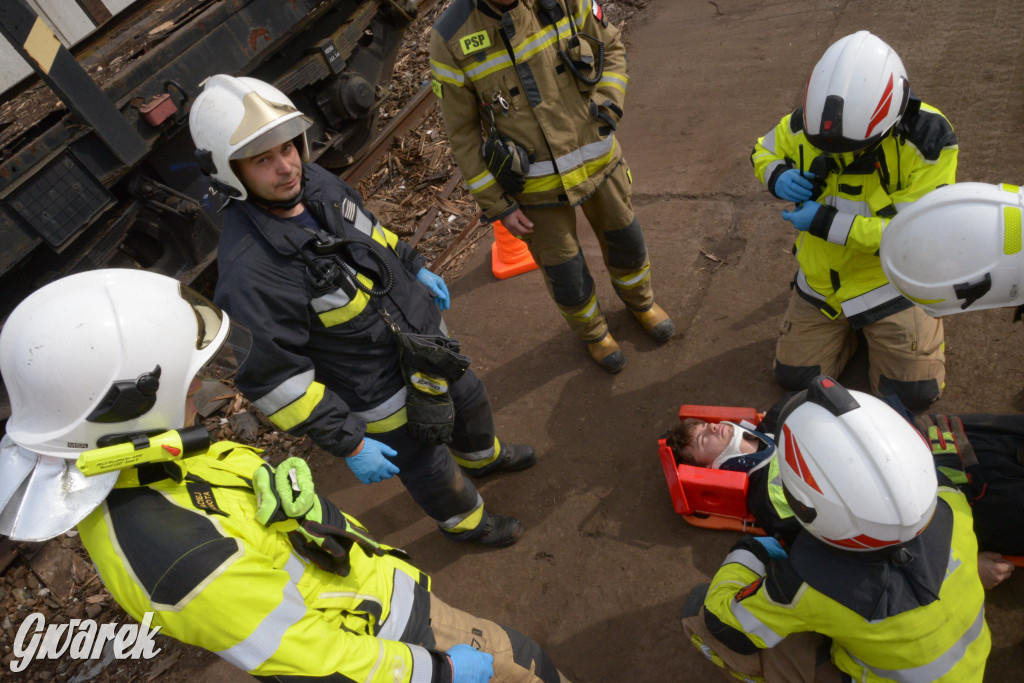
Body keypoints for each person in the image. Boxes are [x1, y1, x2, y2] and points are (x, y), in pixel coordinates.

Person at [0, 268, 569, 683]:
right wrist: (438, 672)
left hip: (382, 608)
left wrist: (290, 511)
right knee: (520, 662)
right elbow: (310, 662)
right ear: (127, 406)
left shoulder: (149, 464)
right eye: (187, 380)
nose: (201, 390)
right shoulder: (170, 549)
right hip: (393, 646)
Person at [189, 74, 534, 548]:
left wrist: (413, 265)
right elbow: (273, 379)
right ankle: (468, 524)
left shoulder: (317, 183)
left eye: (288, 148)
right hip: (380, 391)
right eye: (262, 159)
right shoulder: (250, 272)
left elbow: (371, 234)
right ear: (230, 173)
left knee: (469, 398)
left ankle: (483, 458)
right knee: (427, 462)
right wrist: (347, 440)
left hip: (426, 343)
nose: (287, 167)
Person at [681, 376, 990, 682]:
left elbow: (726, 623)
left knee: (699, 605)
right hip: (974, 664)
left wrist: (749, 550)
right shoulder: (952, 501)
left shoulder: (810, 582)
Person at [428, 0, 675, 374]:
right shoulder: (450, 37)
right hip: (534, 187)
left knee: (626, 238)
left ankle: (641, 303)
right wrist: (500, 206)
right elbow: (462, 134)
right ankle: (594, 334)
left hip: (598, 158)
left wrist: (609, 103)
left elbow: (611, 45)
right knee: (565, 272)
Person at [752, 31, 958, 411]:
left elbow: (913, 232)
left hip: (893, 286)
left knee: (911, 396)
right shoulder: (806, 124)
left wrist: (825, 222)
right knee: (794, 379)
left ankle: (914, 323)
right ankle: (853, 328)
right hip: (823, 287)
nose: (838, 153)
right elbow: (762, 150)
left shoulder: (929, 140)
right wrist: (777, 174)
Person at [668, 396, 1021, 589]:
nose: (712, 427)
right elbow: (855, 559)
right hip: (942, 499)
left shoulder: (782, 413)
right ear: (714, 470)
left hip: (940, 435)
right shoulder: (770, 504)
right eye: (703, 439)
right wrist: (958, 568)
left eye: (705, 425)